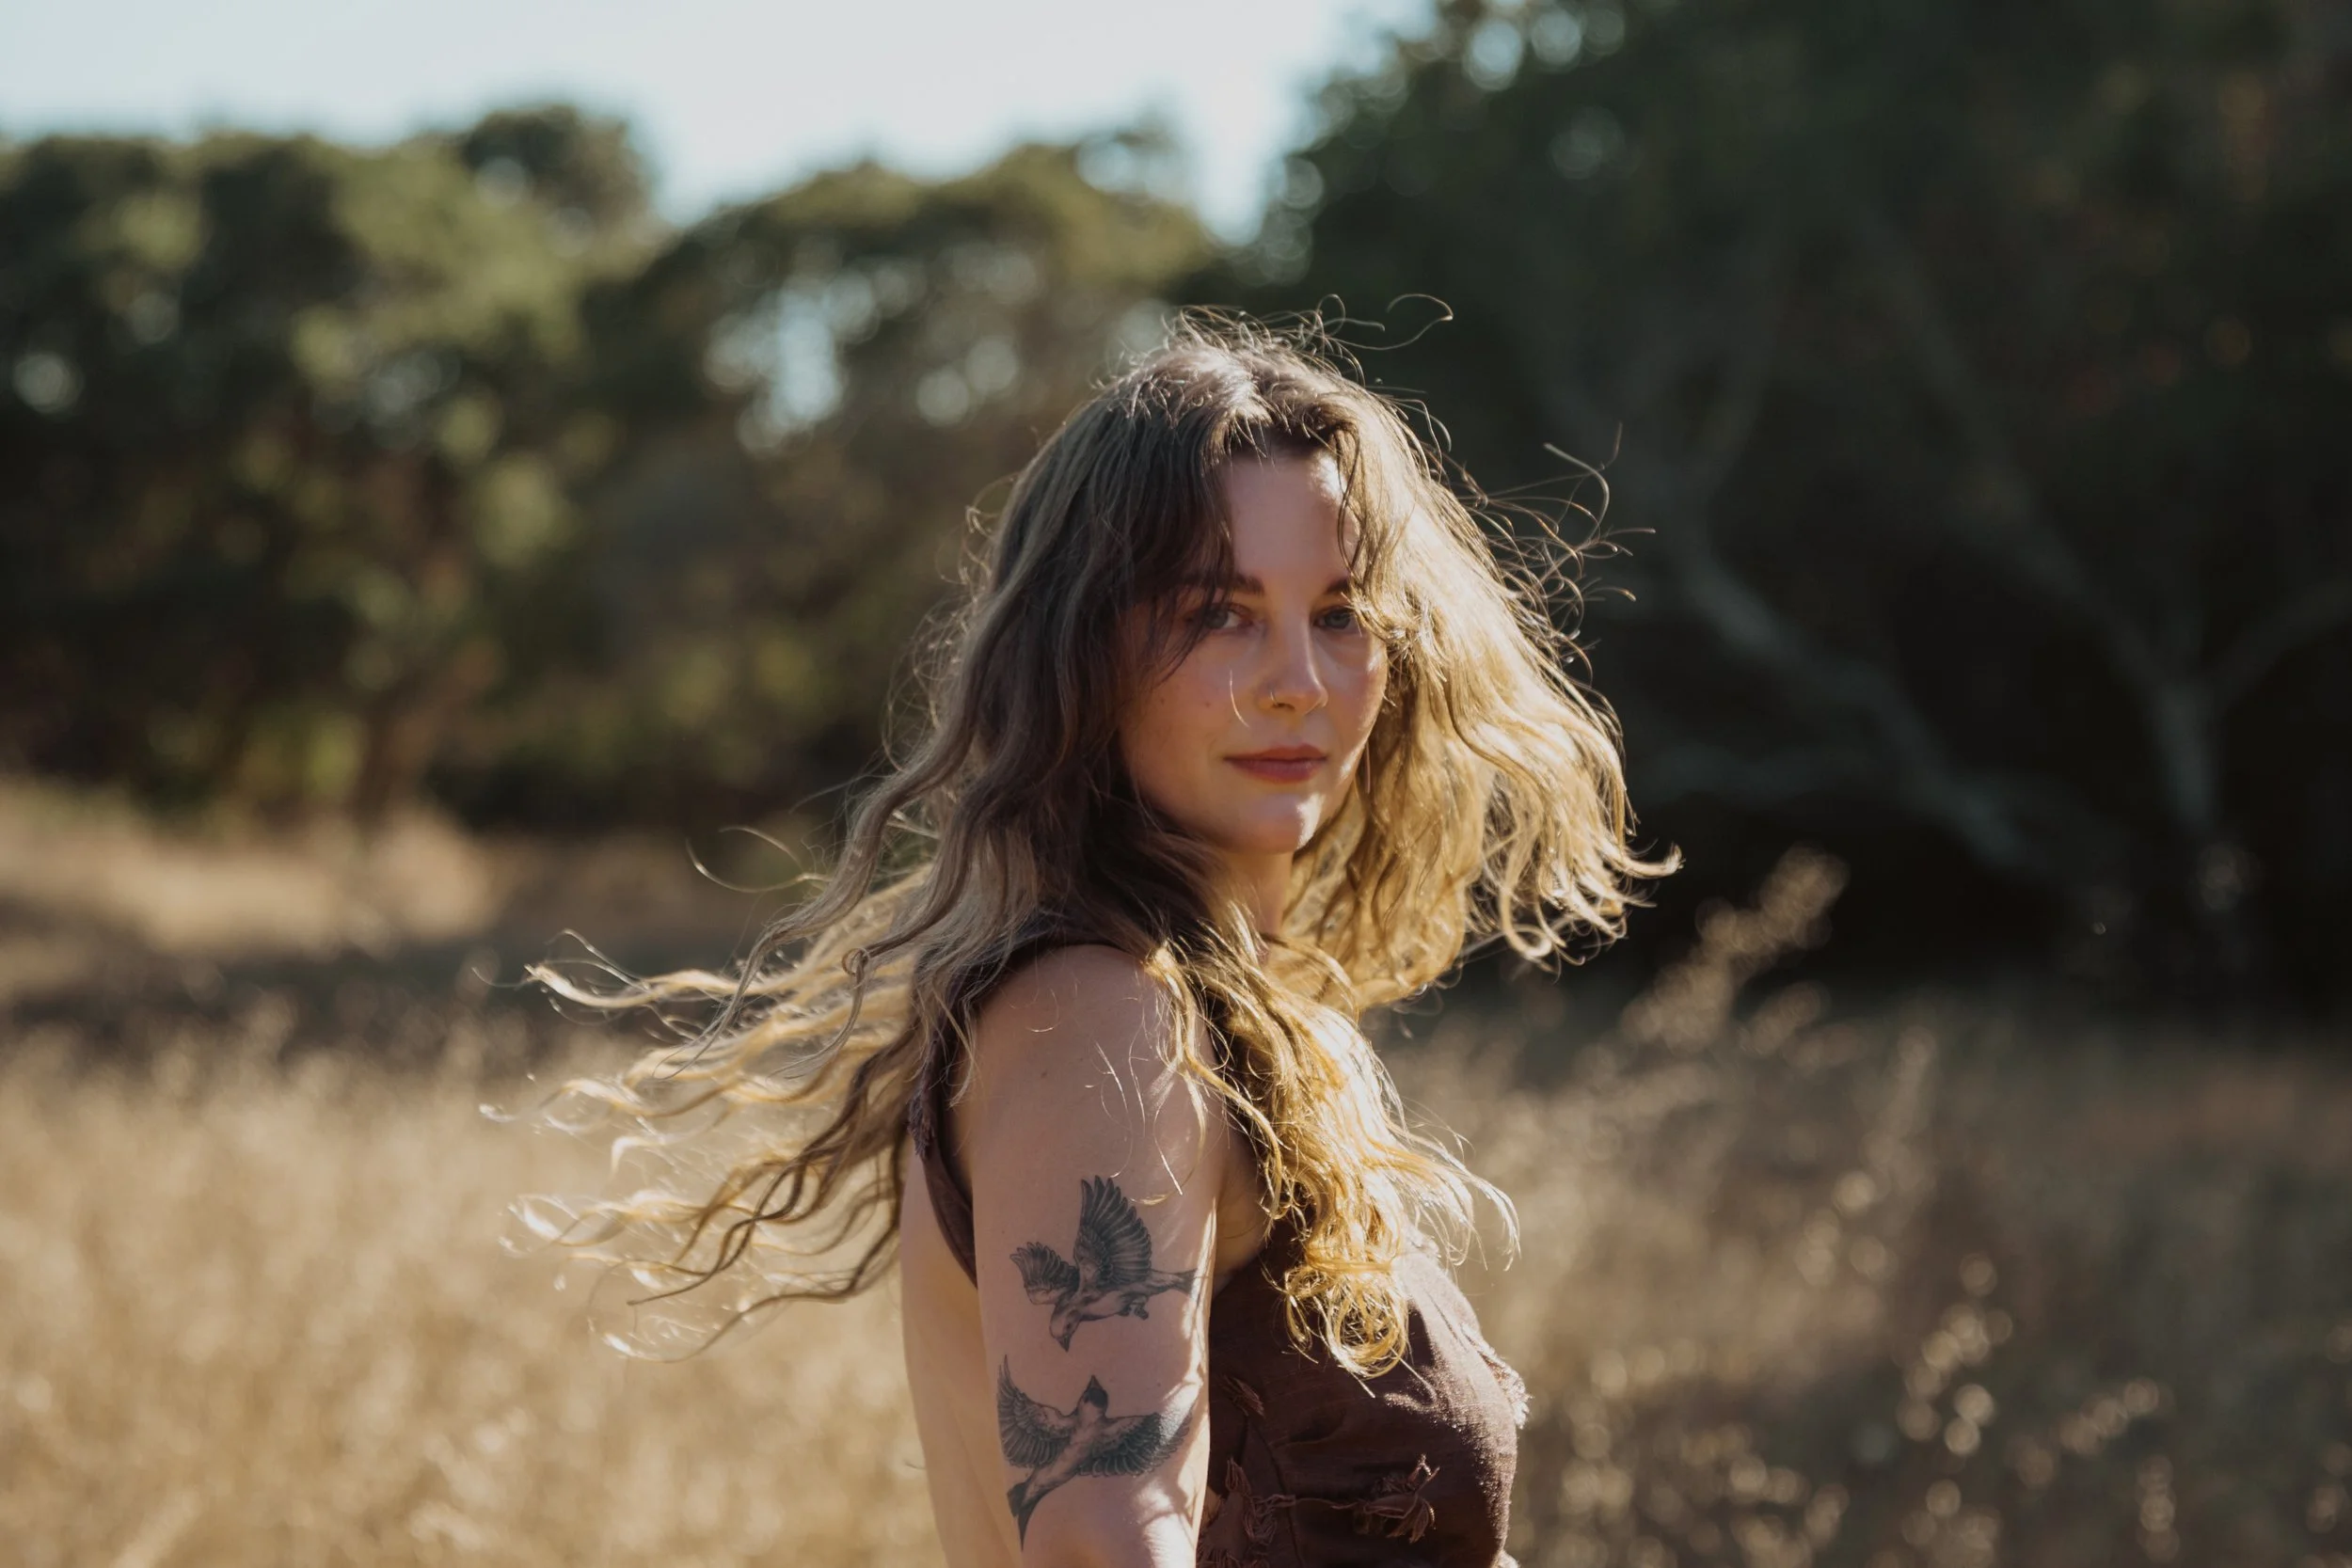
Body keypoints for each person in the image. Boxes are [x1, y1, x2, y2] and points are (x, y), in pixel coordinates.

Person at [524, 316, 1665, 1566]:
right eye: (1221, 613)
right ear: (1086, 649)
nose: (1297, 677)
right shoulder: (1104, 1018)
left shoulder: (1214, 1010)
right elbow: (1103, 1536)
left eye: (1340, 612)